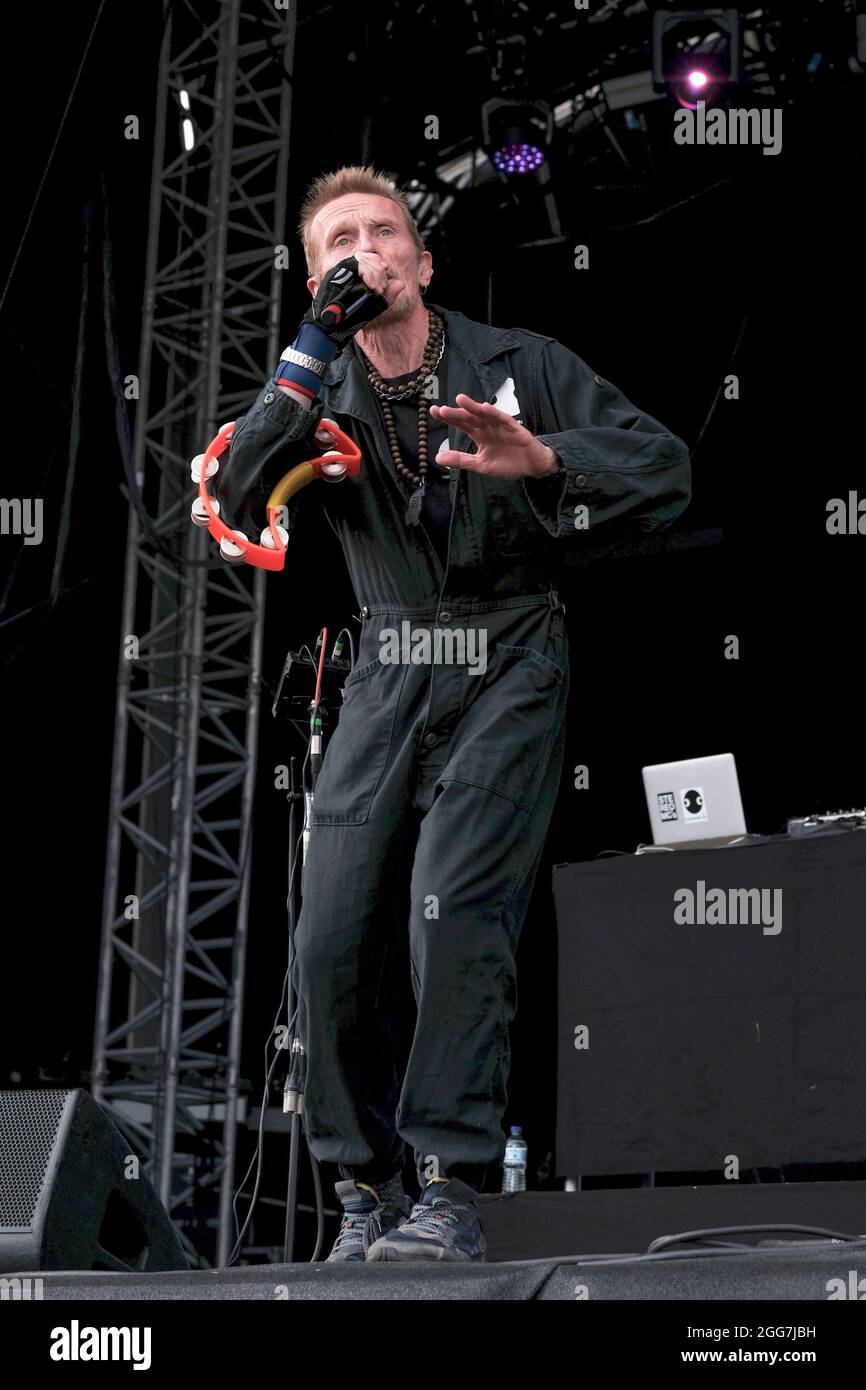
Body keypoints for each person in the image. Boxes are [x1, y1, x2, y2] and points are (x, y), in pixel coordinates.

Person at [214, 165, 691, 1263]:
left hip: (508, 647)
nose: (366, 250)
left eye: (385, 233)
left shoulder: (518, 364)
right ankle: (362, 1188)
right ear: (318, 273)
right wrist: (303, 357)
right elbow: (238, 494)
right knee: (329, 937)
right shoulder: (314, 391)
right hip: (383, 661)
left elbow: (665, 465)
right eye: (341, 239)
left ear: (421, 264)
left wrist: (549, 461)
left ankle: (445, 1188)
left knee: (454, 907)